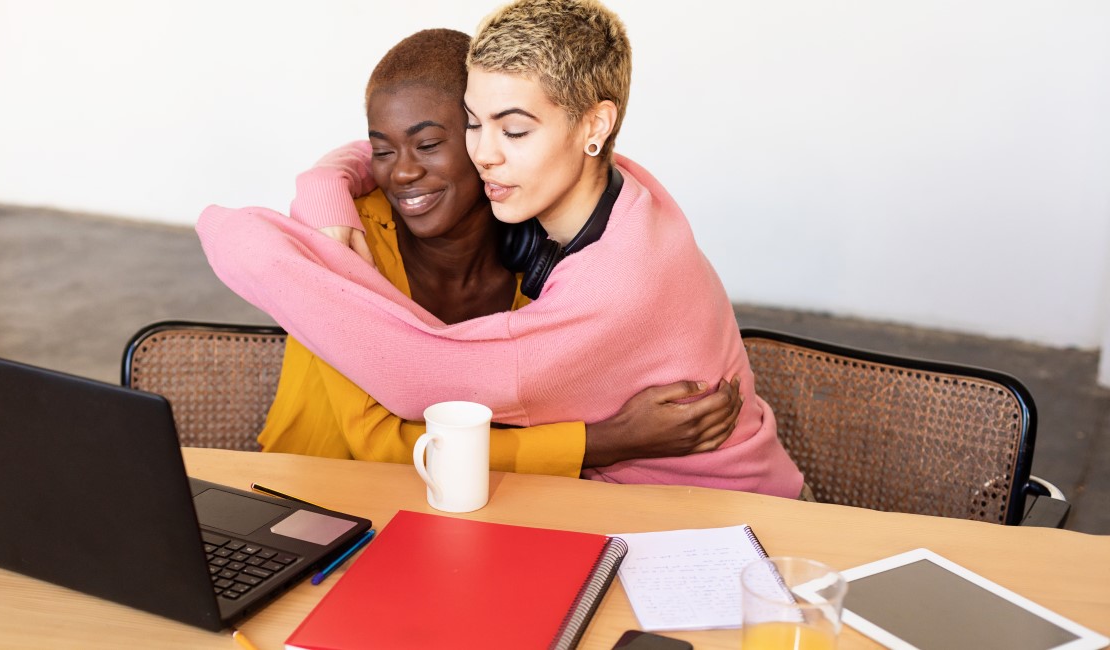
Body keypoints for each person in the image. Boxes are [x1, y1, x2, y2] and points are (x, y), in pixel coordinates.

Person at [198, 0, 804, 497]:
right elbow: (402, 145)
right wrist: (327, 181)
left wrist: (248, 227)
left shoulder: (612, 286)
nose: (486, 153)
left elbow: (417, 380)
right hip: (617, 499)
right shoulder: (629, 191)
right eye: (474, 125)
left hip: (732, 527)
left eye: (513, 130)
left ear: (595, 126)